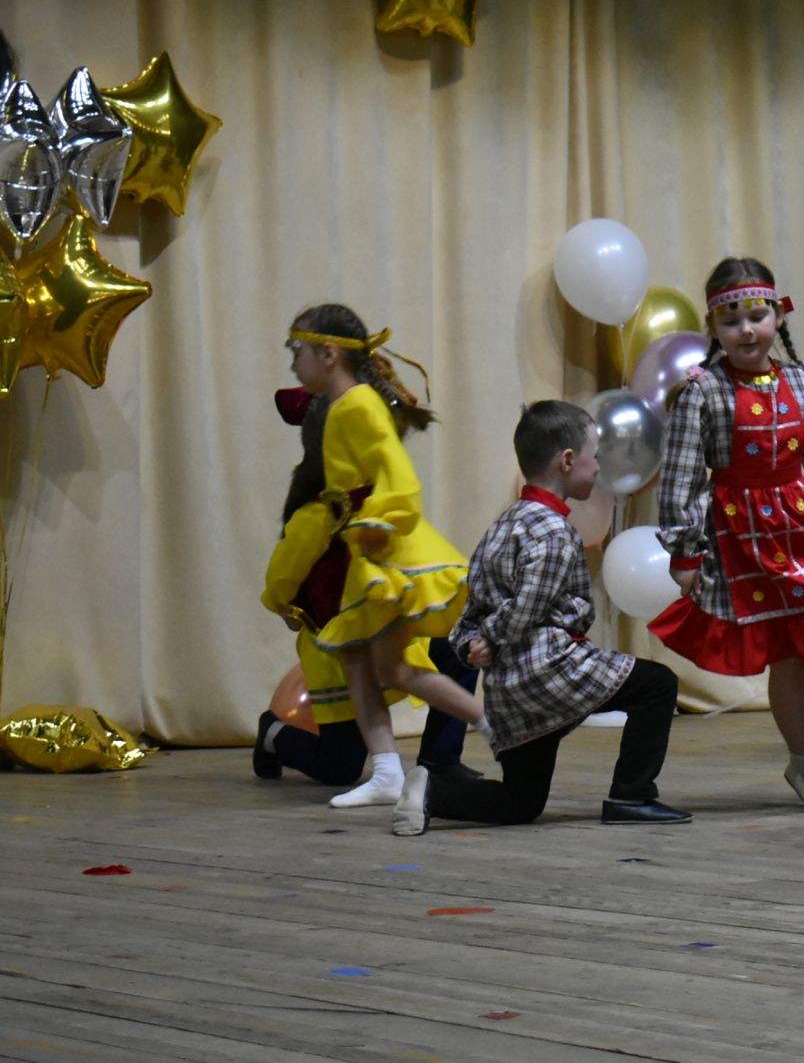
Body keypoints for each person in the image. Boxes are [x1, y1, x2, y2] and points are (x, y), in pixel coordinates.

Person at [649, 258, 804, 808]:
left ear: (778, 317)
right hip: (743, 537)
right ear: (714, 328)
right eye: (732, 322)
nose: (747, 331)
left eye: (758, 317)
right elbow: (683, 474)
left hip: (802, 524)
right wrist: (685, 549)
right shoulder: (702, 393)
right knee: (787, 651)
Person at [392, 401, 687, 834]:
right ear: (567, 461)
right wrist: (491, 636)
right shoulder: (552, 529)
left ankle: (434, 791)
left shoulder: (502, 525)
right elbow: (530, 604)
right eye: (595, 456)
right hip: (547, 670)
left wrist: (472, 643)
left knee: (522, 801)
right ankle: (633, 794)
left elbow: (469, 608)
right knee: (657, 686)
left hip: (509, 690)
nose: (599, 467)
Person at [283, 304, 484, 808]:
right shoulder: (346, 405)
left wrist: (380, 518)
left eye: (297, 352)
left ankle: (496, 729)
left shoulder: (357, 405)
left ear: (328, 354)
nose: (292, 365)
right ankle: (388, 771)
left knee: (392, 668)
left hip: (387, 549)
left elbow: (399, 476)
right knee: (355, 658)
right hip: (364, 545)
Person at [256, 387, 477, 786]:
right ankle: (272, 734)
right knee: (339, 768)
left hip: (393, 632)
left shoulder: (386, 506)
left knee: (457, 651)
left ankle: (439, 761)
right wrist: (289, 607)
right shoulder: (316, 516)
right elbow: (281, 581)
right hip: (343, 650)